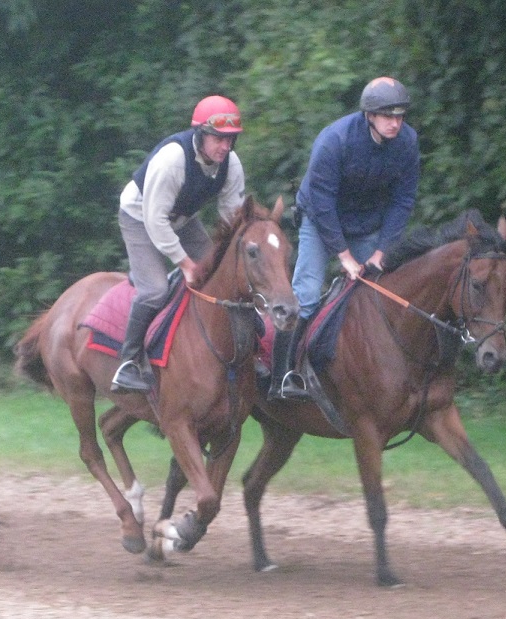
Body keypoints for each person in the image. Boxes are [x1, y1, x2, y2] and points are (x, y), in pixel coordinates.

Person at [269, 77, 420, 401]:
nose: (395, 123)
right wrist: (344, 257)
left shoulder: (407, 142)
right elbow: (322, 202)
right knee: (307, 293)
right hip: (321, 221)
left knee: (377, 296)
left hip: (367, 227)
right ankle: (282, 377)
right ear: (369, 115)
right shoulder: (335, 140)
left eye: (400, 116)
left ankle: (366, 375)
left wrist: (382, 251)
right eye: (387, 116)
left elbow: (403, 200)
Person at [111, 95, 246, 394]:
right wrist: (185, 264)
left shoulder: (231, 164)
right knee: (155, 290)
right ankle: (129, 362)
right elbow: (155, 220)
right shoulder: (172, 160)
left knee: (223, 278)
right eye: (218, 139)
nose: (225, 147)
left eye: (231, 140)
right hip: (140, 217)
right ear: (200, 134)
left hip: (183, 220)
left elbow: (232, 219)